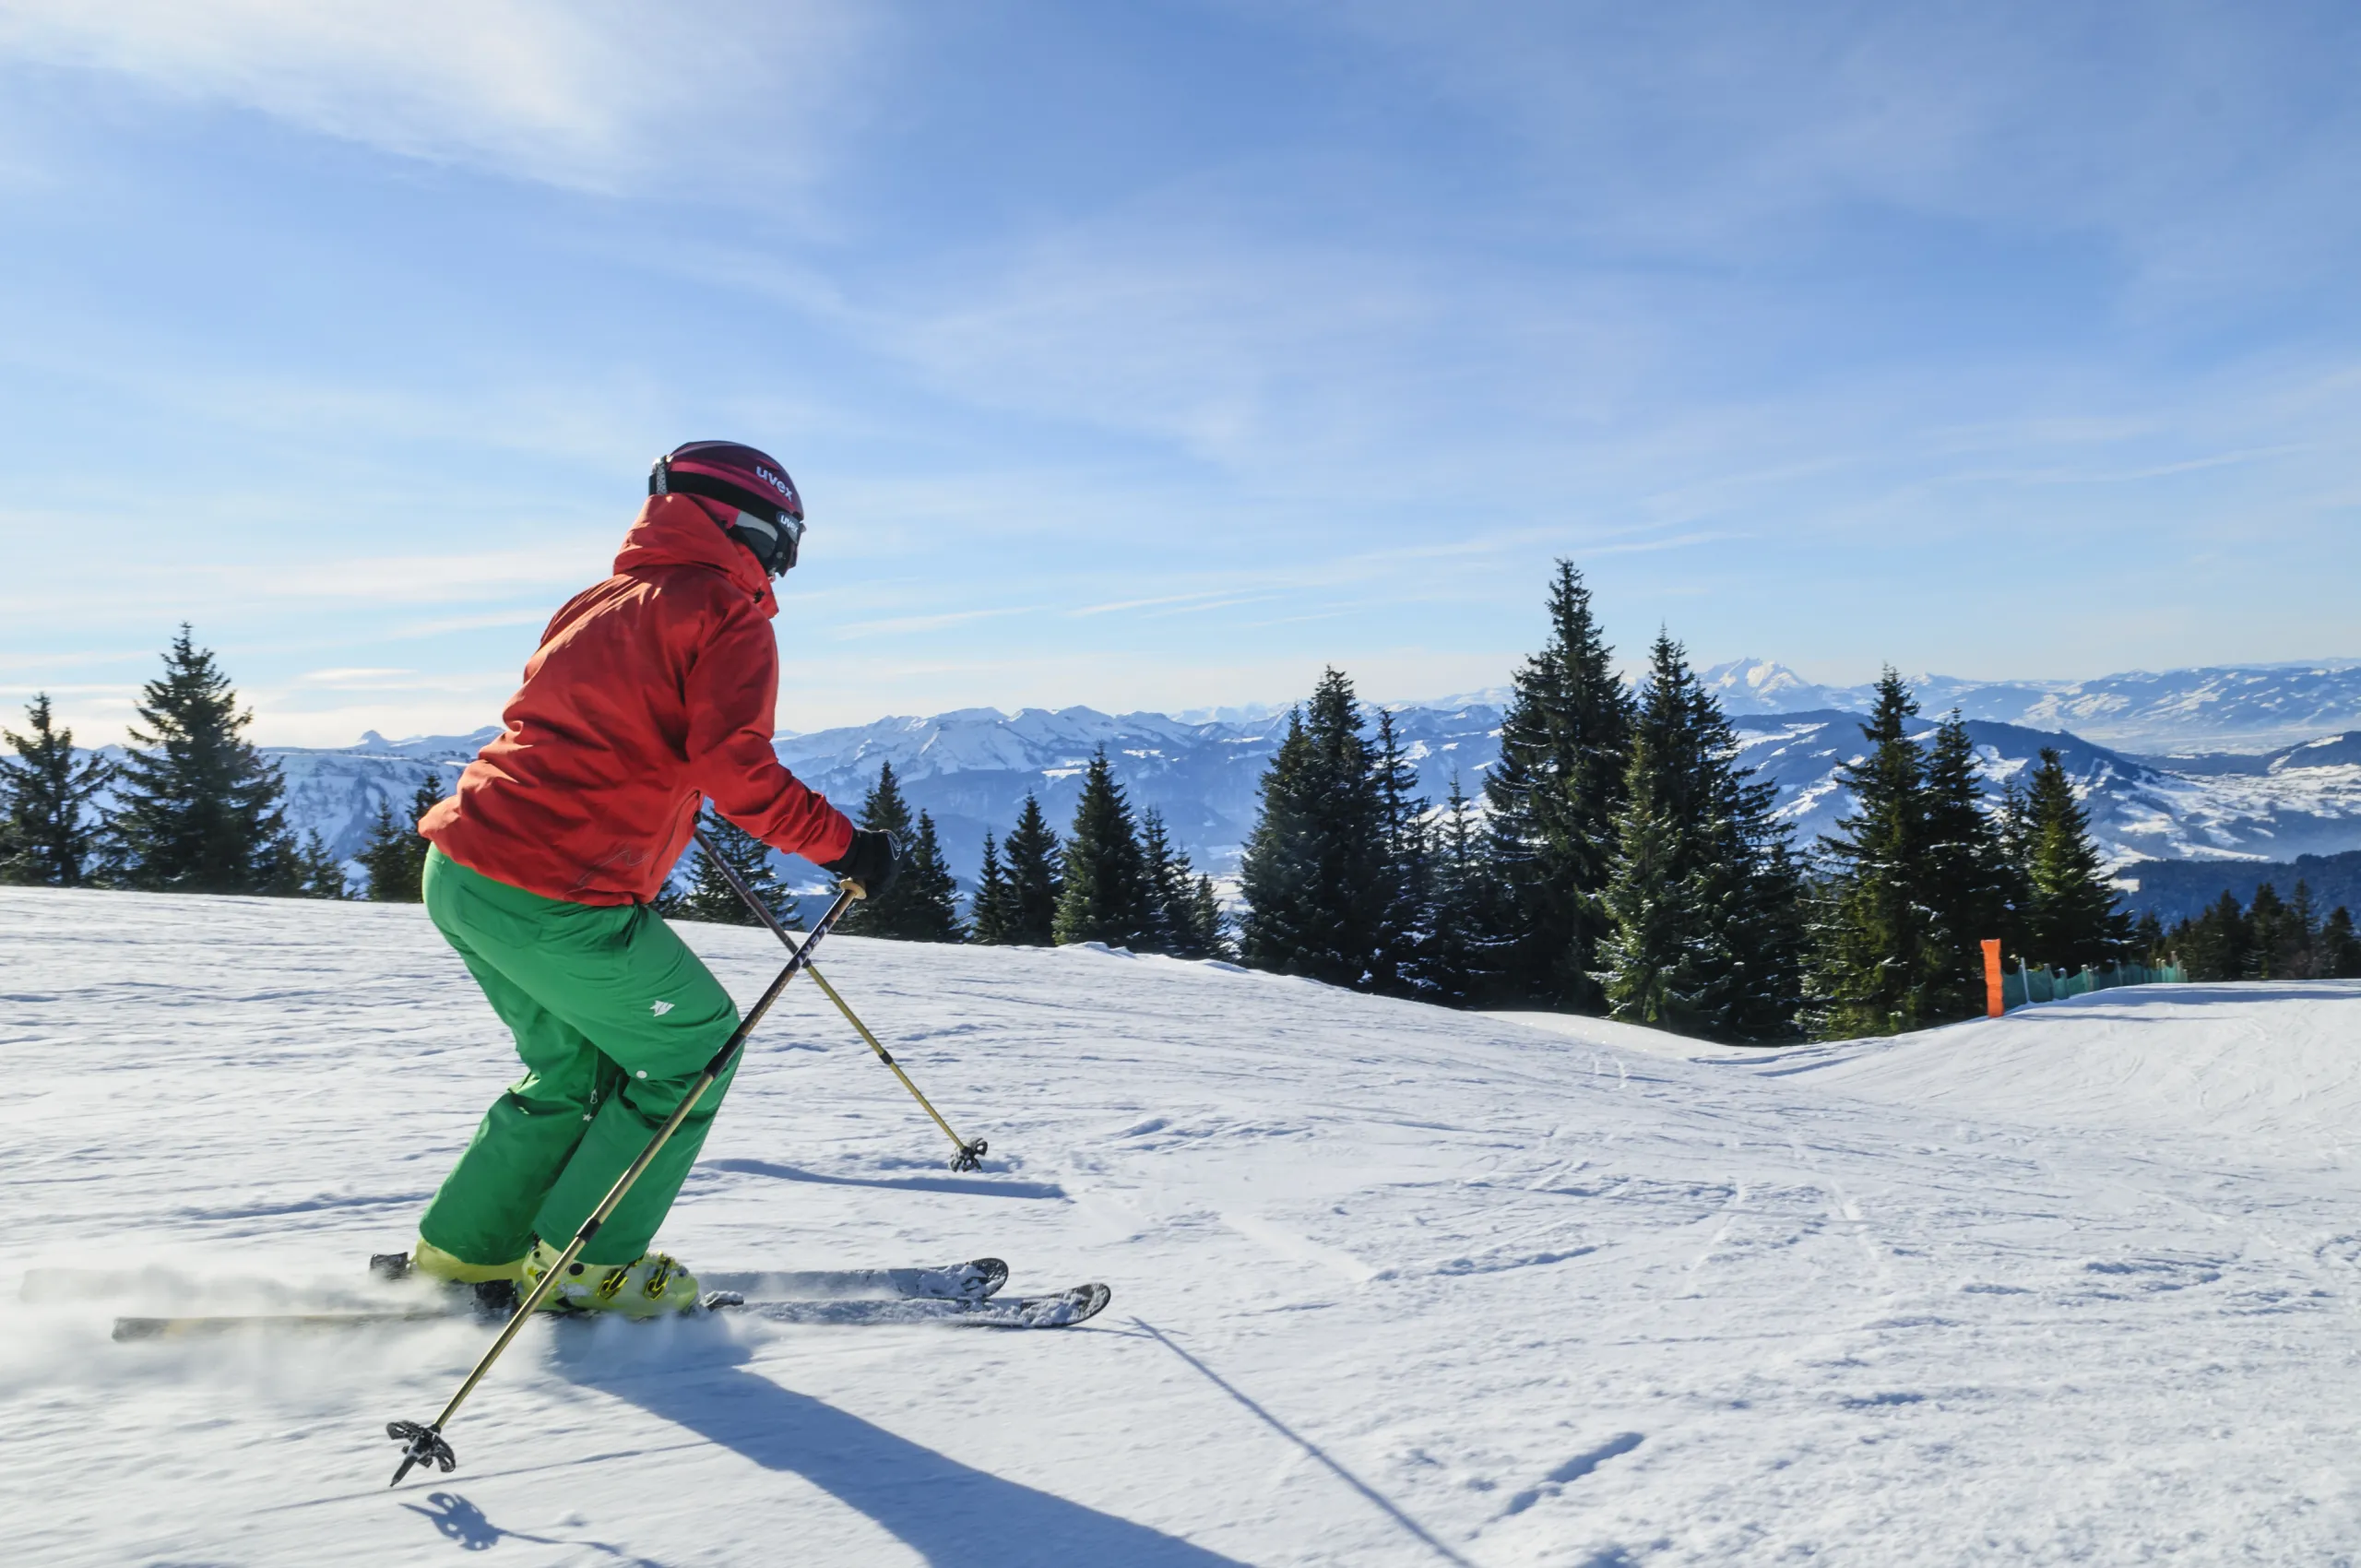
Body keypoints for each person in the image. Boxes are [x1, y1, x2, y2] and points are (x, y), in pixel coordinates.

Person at [406, 440, 899, 1315]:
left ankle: (465, 1255)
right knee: (695, 1050)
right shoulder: (724, 611)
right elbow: (735, 765)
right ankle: (589, 1270)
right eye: (787, 535)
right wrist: (845, 847)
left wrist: (656, 791)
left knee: (571, 1071)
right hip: (553, 893)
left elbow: (589, 723)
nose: (787, 555)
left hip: (463, 869)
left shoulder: (605, 598)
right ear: (750, 522)